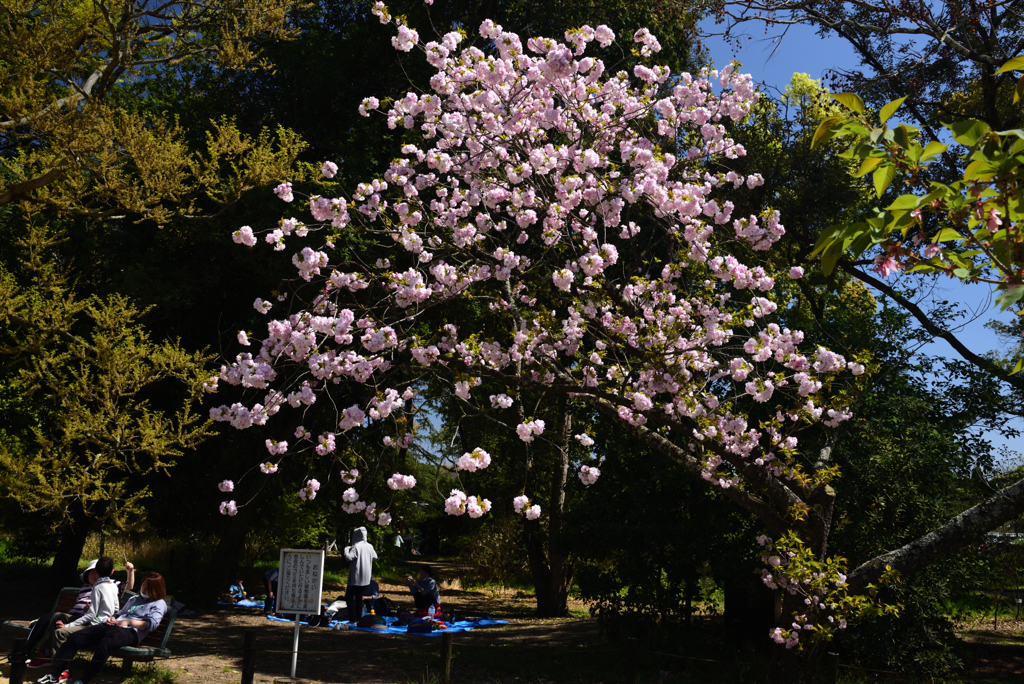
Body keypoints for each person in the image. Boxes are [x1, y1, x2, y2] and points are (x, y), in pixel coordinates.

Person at [38, 572, 167, 684]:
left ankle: (84, 679)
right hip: (112, 625)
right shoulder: (134, 598)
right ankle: (55, 674)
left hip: (130, 632)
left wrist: (128, 622)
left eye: (148, 588)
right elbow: (119, 614)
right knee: (76, 637)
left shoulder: (159, 604)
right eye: (143, 585)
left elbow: (151, 625)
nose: (144, 589)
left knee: (106, 643)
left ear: (156, 589)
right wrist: (113, 617)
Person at [26, 557, 134, 669]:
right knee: (55, 616)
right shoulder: (87, 587)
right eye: (90, 573)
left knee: (60, 632)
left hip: (91, 621)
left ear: (98, 572)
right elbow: (111, 608)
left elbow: (94, 614)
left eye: (94, 572)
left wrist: (130, 571)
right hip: (81, 616)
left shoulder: (109, 585)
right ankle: (44, 655)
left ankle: (59, 667)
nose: (93, 576)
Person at [343, 526, 377, 623]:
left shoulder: (356, 546)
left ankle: (353, 618)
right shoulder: (370, 546)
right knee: (359, 597)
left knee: (349, 598)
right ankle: (358, 618)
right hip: (366, 577)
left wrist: (346, 549)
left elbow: (349, 558)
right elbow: (375, 556)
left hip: (356, 576)